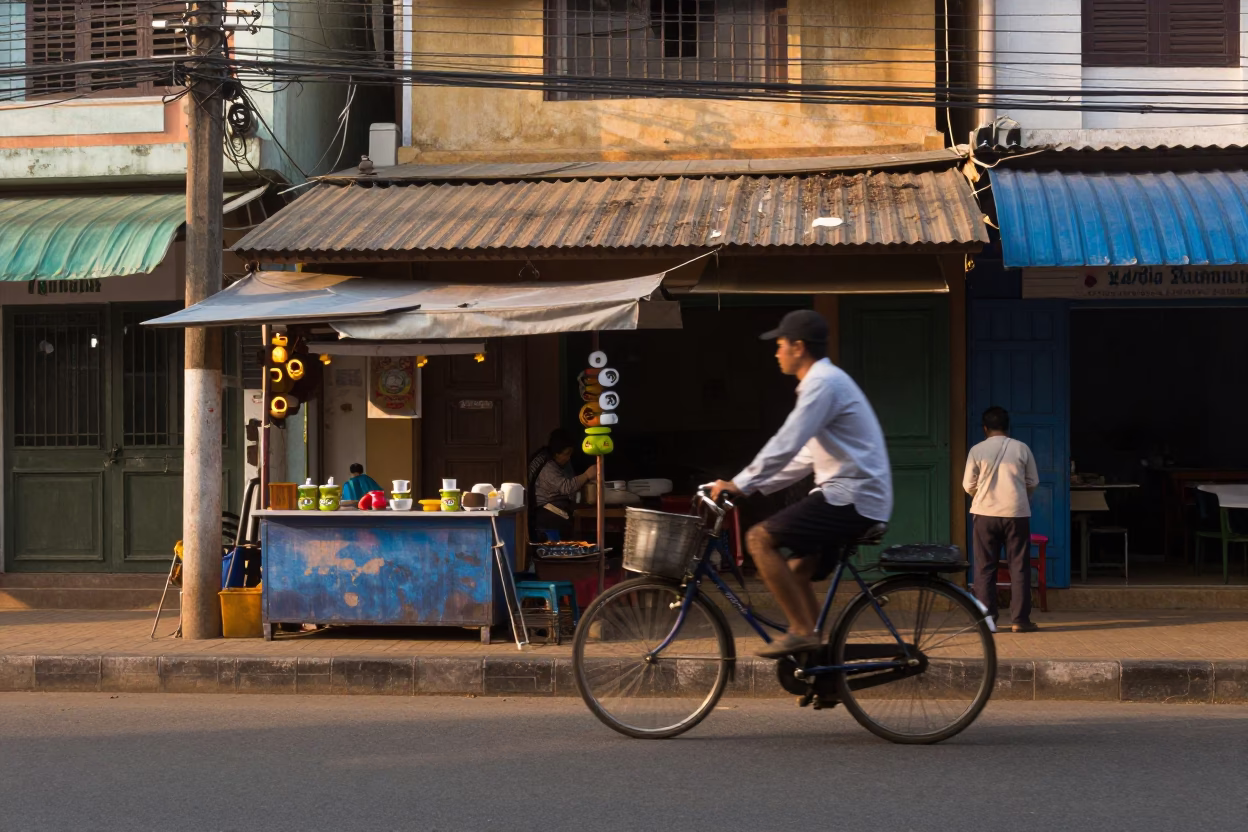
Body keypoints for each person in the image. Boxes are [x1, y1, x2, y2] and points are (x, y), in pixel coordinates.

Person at [710, 309, 893, 659]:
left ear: (799, 347)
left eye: (780, 345)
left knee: (758, 539)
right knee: (795, 569)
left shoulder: (823, 384)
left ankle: (801, 632)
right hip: (850, 493)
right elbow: (803, 457)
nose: (776, 352)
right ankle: (818, 657)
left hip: (851, 496)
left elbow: (787, 441)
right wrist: (748, 487)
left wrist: (740, 482)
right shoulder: (825, 382)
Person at [964, 406, 1040, 633]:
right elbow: (1033, 481)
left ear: (985, 428)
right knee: (1019, 567)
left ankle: (987, 621)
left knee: (985, 567)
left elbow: (968, 485)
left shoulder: (977, 450)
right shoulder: (1021, 448)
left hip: (985, 515)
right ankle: (1020, 620)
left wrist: (983, 496)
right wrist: (1018, 497)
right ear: (1007, 427)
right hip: (1016, 515)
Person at [528, 429, 598, 541]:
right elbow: (566, 487)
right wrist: (587, 475)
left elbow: (572, 480)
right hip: (547, 513)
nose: (568, 457)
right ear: (556, 453)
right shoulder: (547, 467)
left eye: (570, 454)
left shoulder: (563, 462)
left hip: (561, 510)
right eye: (566, 454)